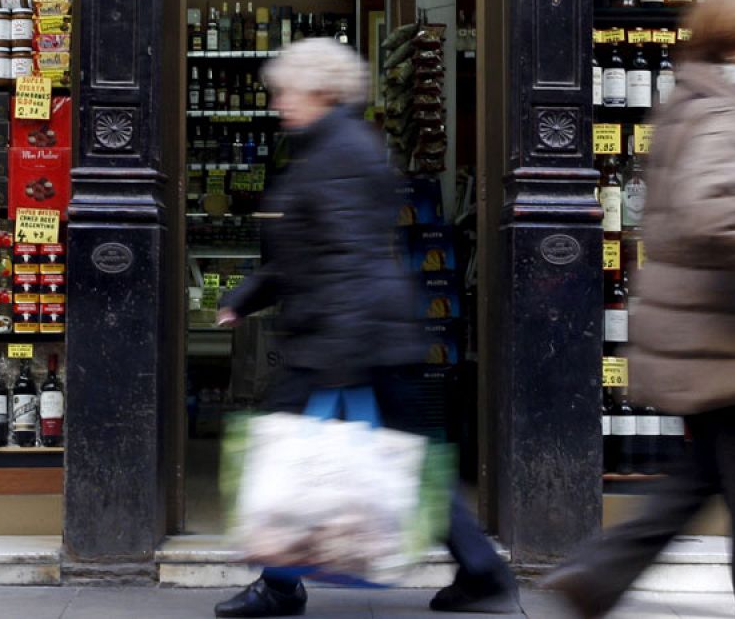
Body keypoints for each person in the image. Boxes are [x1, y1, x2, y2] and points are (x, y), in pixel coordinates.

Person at [544, 0, 735, 619]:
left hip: (710, 343)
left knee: (701, 481)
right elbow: (714, 213)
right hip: (733, 342)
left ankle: (599, 575)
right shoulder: (725, 114)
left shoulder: (693, 104)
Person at [214, 38, 518, 618]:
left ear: (323, 91)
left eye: (287, 91)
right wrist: (248, 296)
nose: (278, 102)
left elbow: (347, 258)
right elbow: (312, 249)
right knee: (406, 458)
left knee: (290, 455)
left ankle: (279, 586)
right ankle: (482, 572)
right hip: (364, 329)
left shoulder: (338, 154)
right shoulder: (332, 147)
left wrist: (338, 354)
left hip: (344, 333)